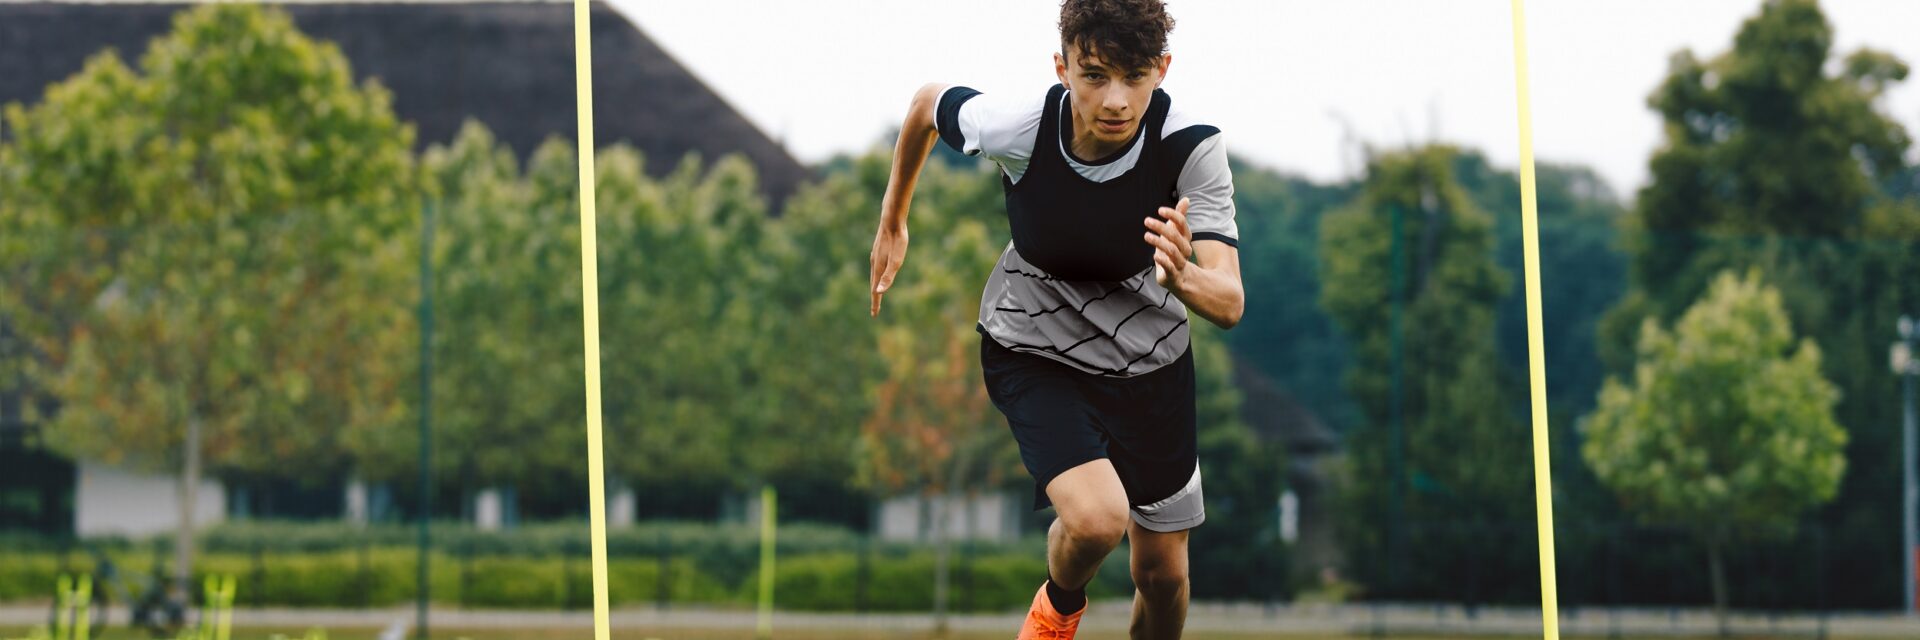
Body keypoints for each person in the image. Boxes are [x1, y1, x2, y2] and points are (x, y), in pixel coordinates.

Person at [867, 0, 1241, 637]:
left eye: (1136, 76)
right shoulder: (1019, 126)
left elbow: (1229, 302)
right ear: (1062, 68)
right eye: (1095, 75)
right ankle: (1055, 613)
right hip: (1035, 345)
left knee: (1164, 578)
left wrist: (1183, 277)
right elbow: (927, 105)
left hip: (1149, 362)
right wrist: (893, 219)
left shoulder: (1189, 148)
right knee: (1097, 519)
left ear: (1164, 69)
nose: (1117, 100)